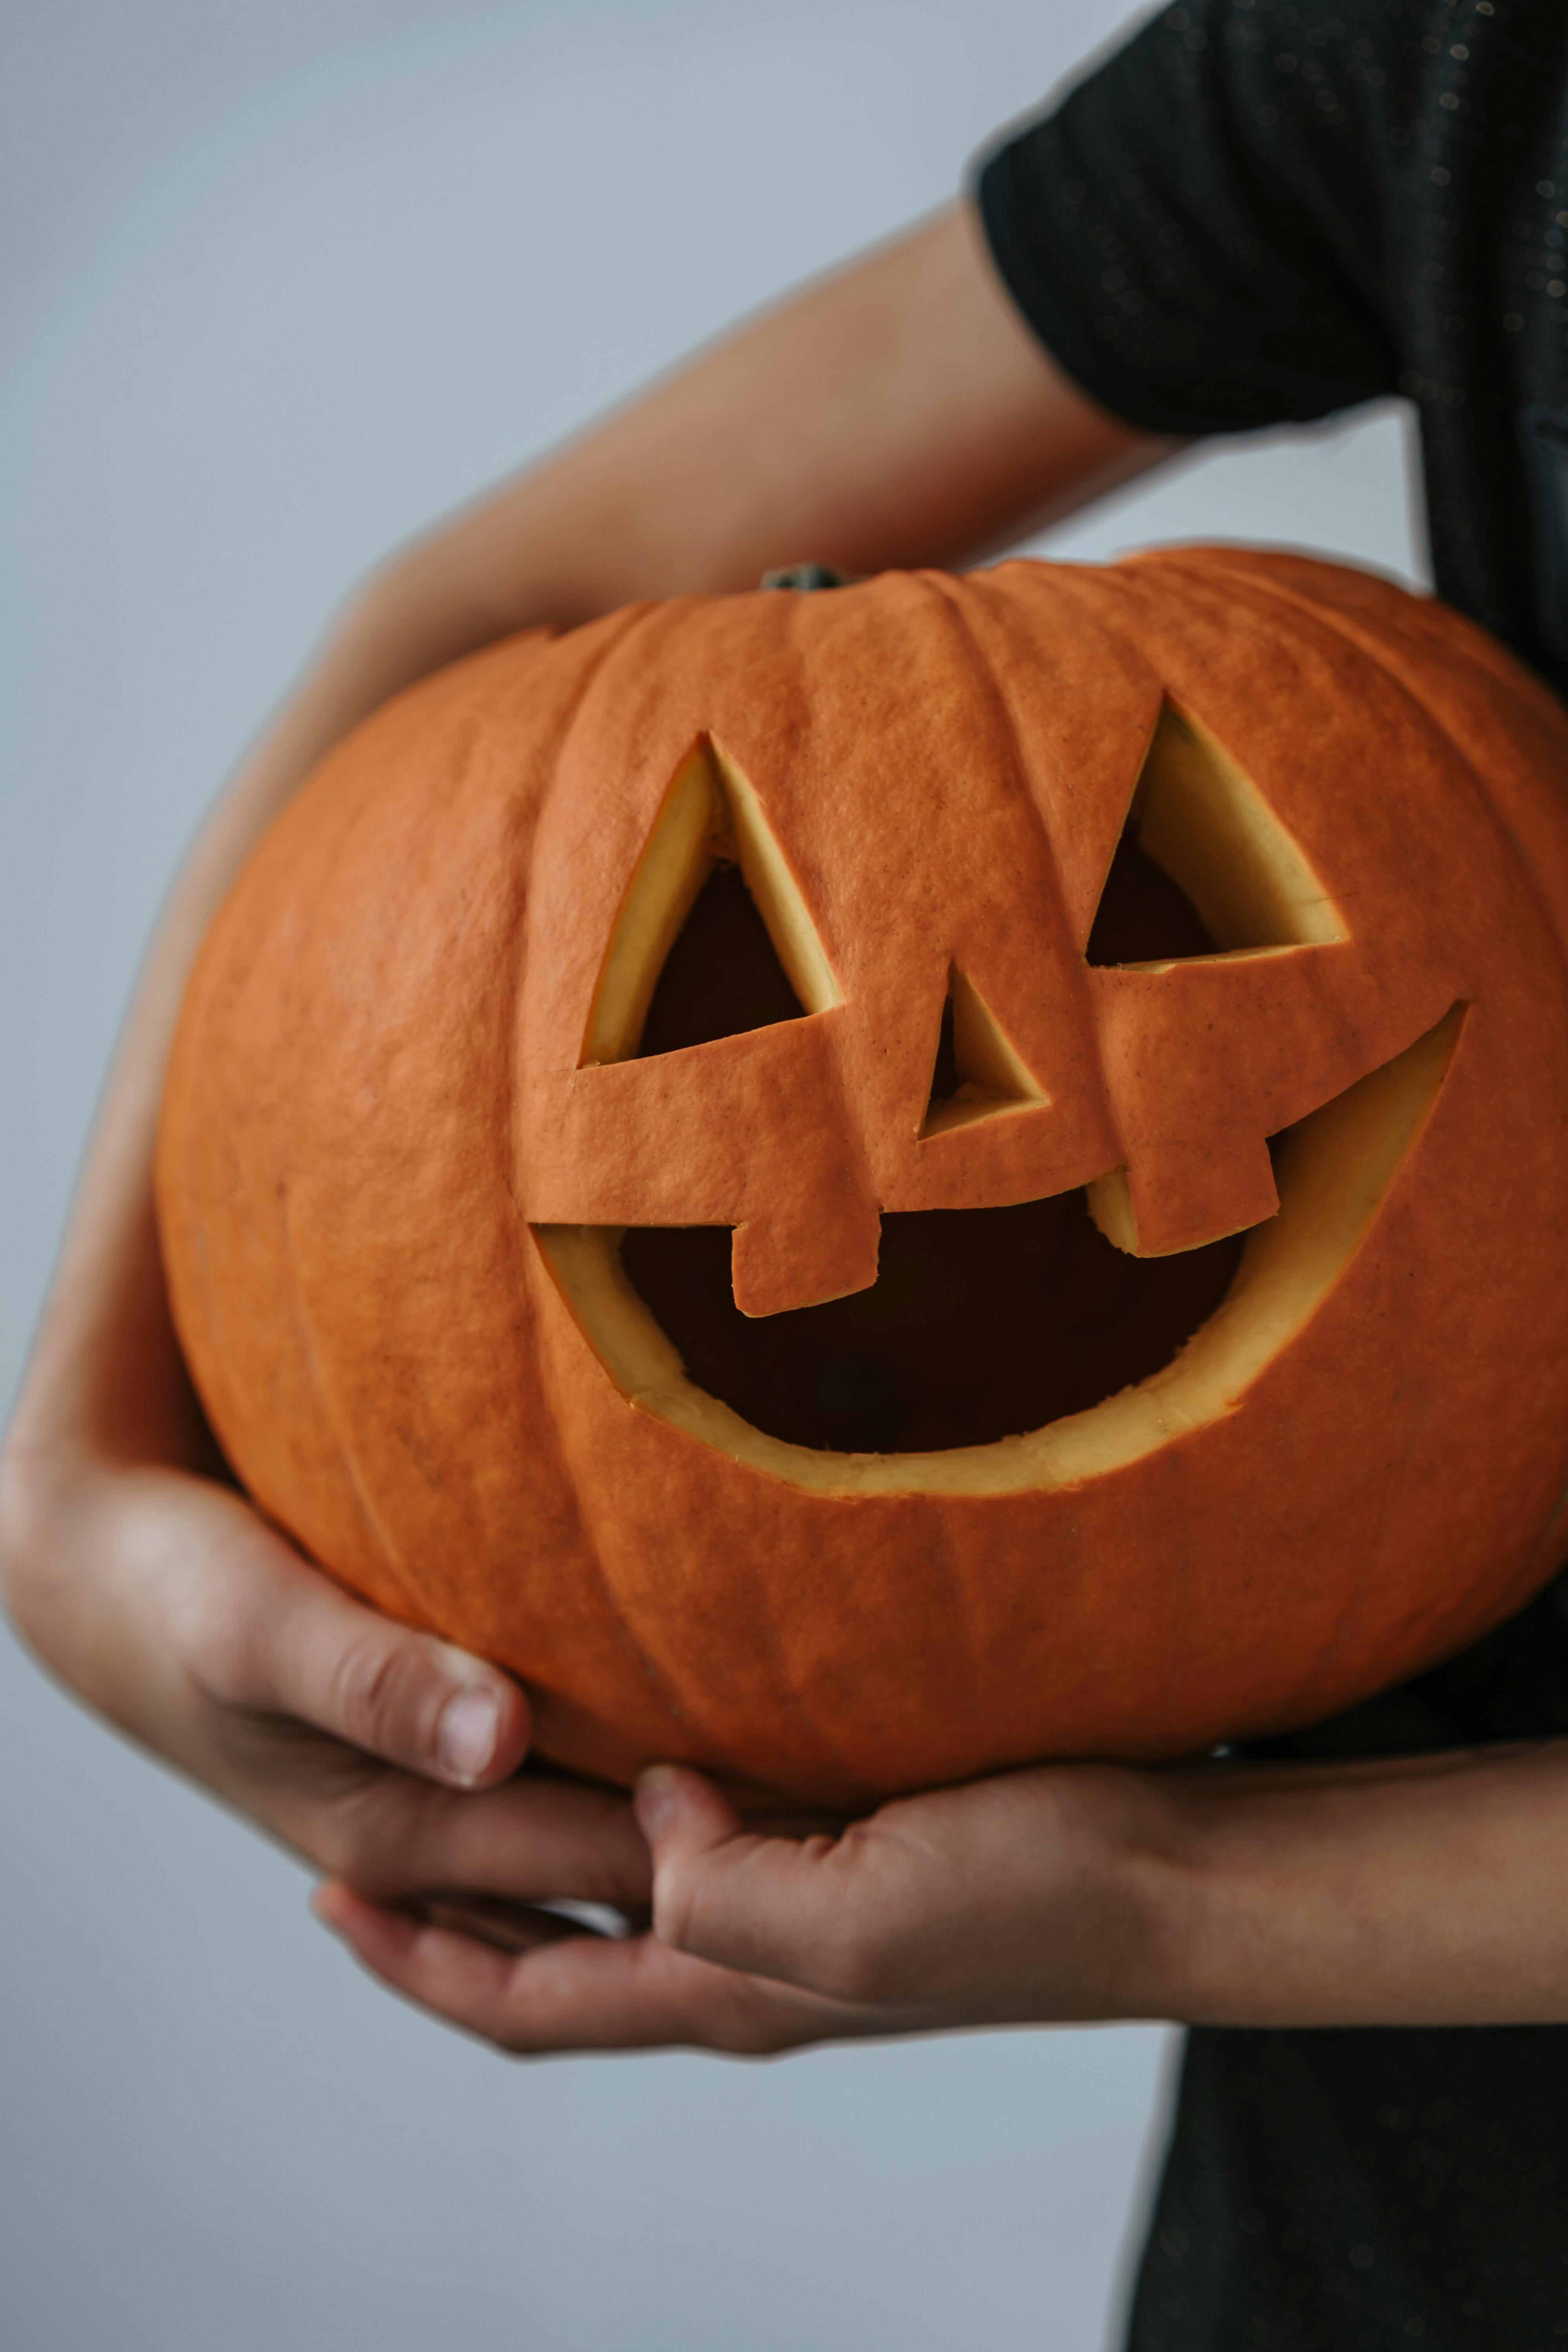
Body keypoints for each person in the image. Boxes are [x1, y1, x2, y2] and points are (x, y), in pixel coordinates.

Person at [5, 0, 1568, 2342]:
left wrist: (1186, 1899)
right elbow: (500, 603)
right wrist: (77, 1479)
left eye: (1165, 908)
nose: (972, 1113)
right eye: (729, 985)